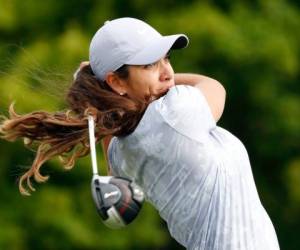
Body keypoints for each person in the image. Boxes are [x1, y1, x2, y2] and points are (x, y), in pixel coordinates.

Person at [0, 17, 280, 250]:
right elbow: (213, 86)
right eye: (149, 65)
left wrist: (104, 90)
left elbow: (113, 133)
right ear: (116, 81)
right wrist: (103, 88)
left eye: (166, 59)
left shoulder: (122, 150)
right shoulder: (176, 112)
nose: (168, 73)